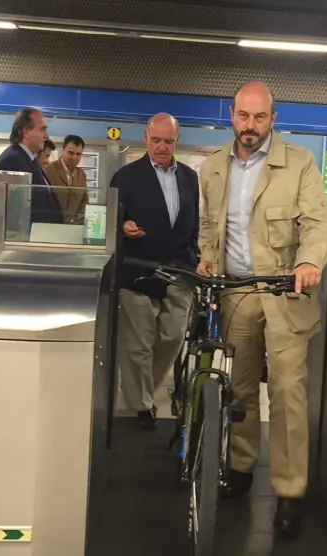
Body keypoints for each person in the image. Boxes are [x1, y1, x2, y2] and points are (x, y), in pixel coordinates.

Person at [197, 81, 327, 538]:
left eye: (260, 117)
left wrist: (309, 261)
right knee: (239, 388)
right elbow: (210, 225)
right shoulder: (213, 167)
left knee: (287, 392)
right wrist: (207, 256)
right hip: (236, 291)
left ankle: (290, 490)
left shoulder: (299, 163)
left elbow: (319, 223)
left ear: (273, 119)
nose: (250, 125)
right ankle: (240, 465)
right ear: (231, 115)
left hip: (284, 292)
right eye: (243, 115)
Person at [112, 114, 198, 430]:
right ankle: (141, 404)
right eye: (156, 140)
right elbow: (110, 219)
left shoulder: (189, 177)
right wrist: (122, 226)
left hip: (178, 269)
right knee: (138, 343)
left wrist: (195, 257)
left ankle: (141, 387)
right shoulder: (126, 177)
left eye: (169, 141)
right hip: (137, 268)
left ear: (177, 141)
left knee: (172, 336)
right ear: (145, 138)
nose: (162, 147)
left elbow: (194, 222)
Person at [0, 108, 64, 225]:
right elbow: (12, 212)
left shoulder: (31, 159)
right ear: (26, 132)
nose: (46, 135)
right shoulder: (12, 160)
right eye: (42, 130)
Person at [44, 134, 89, 224]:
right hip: (51, 224)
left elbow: (84, 201)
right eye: (70, 153)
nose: (74, 157)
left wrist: (77, 219)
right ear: (63, 151)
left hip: (73, 226)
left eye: (78, 154)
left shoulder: (82, 175)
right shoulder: (49, 170)